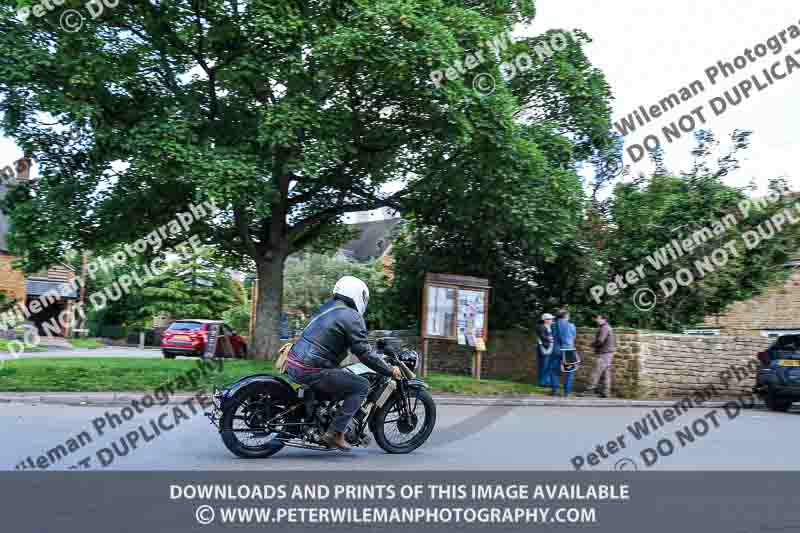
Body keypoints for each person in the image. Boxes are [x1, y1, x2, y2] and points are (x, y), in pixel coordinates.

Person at [286, 276, 402, 450]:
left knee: (343, 375)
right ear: (358, 295)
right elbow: (364, 353)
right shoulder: (352, 316)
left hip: (295, 362)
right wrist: (389, 370)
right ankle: (335, 433)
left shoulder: (327, 308)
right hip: (312, 368)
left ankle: (322, 419)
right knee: (361, 386)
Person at [587, 314, 616, 398]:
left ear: (604, 320)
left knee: (596, 371)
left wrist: (592, 345)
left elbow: (600, 341)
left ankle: (590, 390)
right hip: (608, 353)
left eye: (598, 319)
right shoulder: (607, 327)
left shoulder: (604, 328)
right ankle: (606, 392)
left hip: (604, 353)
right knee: (605, 373)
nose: (596, 320)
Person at [550, 309, 577, 397]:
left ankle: (555, 390)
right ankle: (567, 392)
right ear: (565, 316)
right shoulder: (571, 326)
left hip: (556, 350)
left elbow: (552, 336)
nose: (569, 316)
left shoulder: (553, 326)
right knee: (570, 371)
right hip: (568, 350)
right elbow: (573, 337)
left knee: (554, 371)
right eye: (568, 315)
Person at [535, 314, 555, 387]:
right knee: (544, 365)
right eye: (550, 319)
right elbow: (542, 336)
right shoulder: (540, 327)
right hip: (544, 348)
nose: (552, 320)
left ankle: (547, 381)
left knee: (548, 365)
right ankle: (542, 382)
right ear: (545, 320)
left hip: (550, 347)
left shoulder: (550, 326)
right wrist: (551, 339)